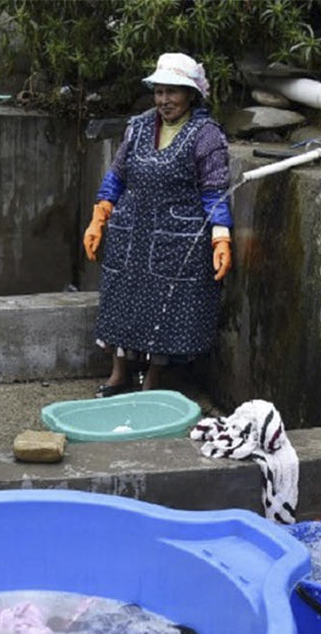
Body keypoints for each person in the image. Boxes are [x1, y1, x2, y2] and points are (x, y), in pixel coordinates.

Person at [83, 52, 234, 396]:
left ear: (191, 94)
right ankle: (118, 375)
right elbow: (117, 175)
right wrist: (100, 214)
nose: (164, 100)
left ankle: (153, 380)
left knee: (165, 313)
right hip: (130, 234)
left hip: (177, 238)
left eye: (173, 92)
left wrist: (220, 237)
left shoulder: (206, 135)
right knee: (120, 302)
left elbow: (215, 190)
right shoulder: (138, 126)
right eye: (159, 91)